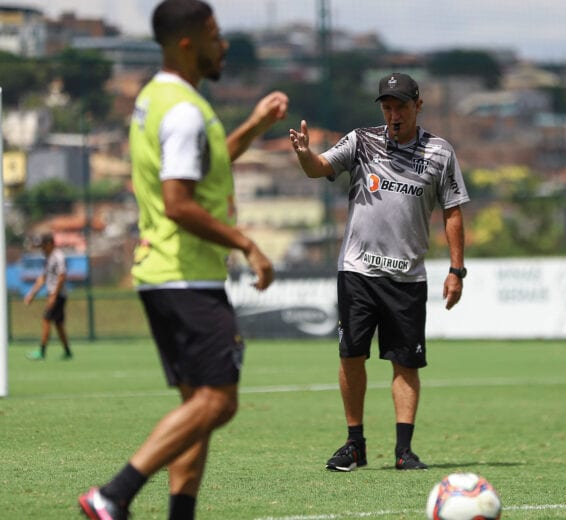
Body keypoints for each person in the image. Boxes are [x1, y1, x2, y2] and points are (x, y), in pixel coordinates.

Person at [78, 1, 288, 518]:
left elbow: (203, 163)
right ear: (188, 44)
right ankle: (114, 494)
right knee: (219, 402)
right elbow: (179, 203)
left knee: (197, 408)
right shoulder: (184, 111)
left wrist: (255, 125)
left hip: (165, 274)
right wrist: (246, 243)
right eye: (216, 36)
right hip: (185, 275)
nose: (225, 45)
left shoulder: (158, 97)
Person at [289, 72, 469, 471]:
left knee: (405, 363)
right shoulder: (361, 141)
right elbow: (318, 167)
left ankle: (404, 451)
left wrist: (457, 269)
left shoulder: (440, 153)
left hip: (407, 277)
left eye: (400, 106)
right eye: (387, 107)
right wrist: (304, 154)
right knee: (351, 355)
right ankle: (355, 444)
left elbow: (452, 211)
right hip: (358, 271)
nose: (393, 114)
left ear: (418, 106)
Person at [24, 232, 73, 361]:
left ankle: (42, 351)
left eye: (43, 246)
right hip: (54, 295)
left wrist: (53, 295)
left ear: (50, 244)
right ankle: (67, 351)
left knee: (46, 320)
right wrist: (32, 294)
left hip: (58, 295)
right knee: (58, 324)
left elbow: (62, 276)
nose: (41, 249)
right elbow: (43, 278)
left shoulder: (58, 256)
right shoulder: (49, 258)